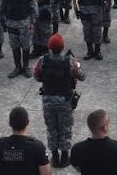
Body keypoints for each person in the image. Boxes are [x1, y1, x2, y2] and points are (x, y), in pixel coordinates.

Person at [32, 33, 85, 167]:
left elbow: (36, 76)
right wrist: (76, 63)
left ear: (50, 47)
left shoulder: (42, 60)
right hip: (65, 99)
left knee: (51, 127)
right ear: (62, 47)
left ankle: (55, 157)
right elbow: (82, 76)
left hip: (48, 99)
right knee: (65, 127)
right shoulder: (70, 61)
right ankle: (65, 157)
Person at [0, 0, 38, 78]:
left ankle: (26, 67)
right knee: (14, 46)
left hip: (24, 23)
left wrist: (33, 22)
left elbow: (33, 6)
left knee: (26, 46)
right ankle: (17, 67)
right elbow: (1, 4)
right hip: (11, 22)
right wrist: (0, 19)